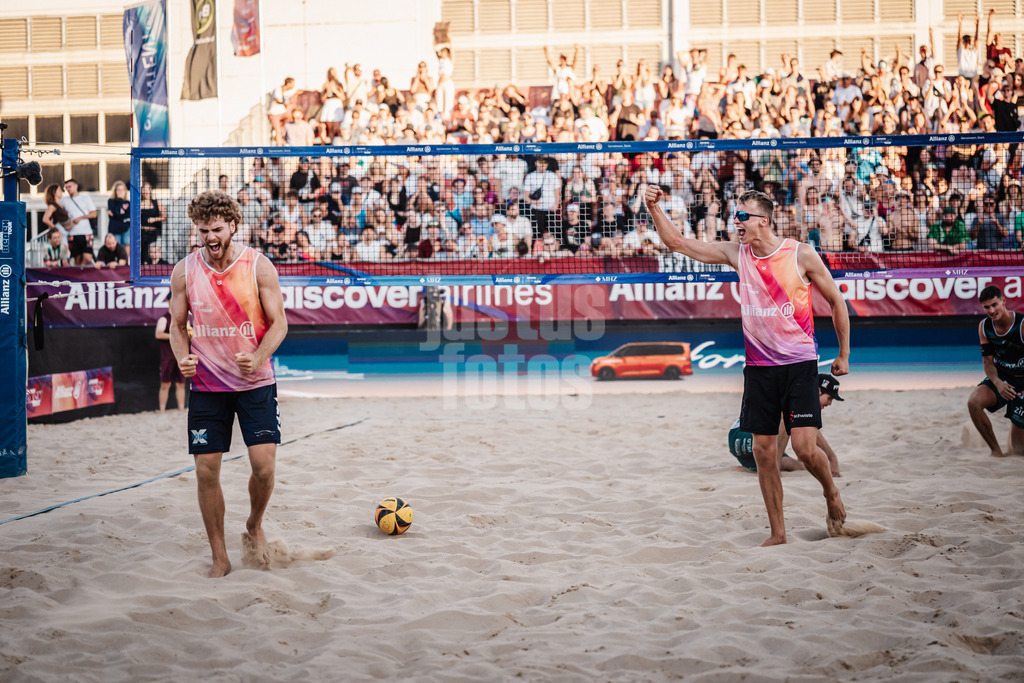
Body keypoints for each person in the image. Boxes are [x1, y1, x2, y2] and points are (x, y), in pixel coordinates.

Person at [645, 185, 851, 546]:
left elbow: (836, 301)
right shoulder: (735, 254)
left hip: (800, 363)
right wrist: (652, 207)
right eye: (734, 215)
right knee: (762, 451)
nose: (735, 221)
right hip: (759, 367)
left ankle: (831, 492)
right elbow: (678, 243)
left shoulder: (800, 255)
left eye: (742, 216)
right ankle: (778, 532)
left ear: (765, 221)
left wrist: (843, 354)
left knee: (804, 449)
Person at [168, 189, 288, 578]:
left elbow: (280, 324)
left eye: (216, 229)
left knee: (263, 467)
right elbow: (176, 325)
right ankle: (220, 556)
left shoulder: (258, 266)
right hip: (207, 384)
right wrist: (181, 356)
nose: (209, 237)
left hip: (254, 381)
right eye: (202, 230)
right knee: (206, 470)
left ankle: (254, 523)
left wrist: (257, 357)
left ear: (233, 226)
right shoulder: (185, 270)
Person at [730, 374, 844, 478]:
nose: (830, 403)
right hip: (743, 433)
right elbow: (808, 427)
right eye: (830, 398)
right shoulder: (796, 397)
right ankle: (775, 469)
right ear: (818, 391)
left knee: (795, 465)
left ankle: (749, 469)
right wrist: (833, 459)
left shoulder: (796, 395)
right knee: (790, 416)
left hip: (740, 445)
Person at [967, 285, 1024, 458]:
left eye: (994, 304)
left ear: (1003, 301)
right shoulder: (984, 327)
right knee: (974, 402)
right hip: (1002, 379)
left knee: (1019, 451)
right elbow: (988, 362)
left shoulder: (1021, 325)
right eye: (986, 307)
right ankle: (996, 451)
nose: (991, 310)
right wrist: (998, 383)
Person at [155, 311, 186, 413]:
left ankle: (181, 409)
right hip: (167, 357)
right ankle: (162, 411)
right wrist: (174, 335)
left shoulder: (183, 318)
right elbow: (158, 334)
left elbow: (188, 333)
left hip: (181, 356)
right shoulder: (164, 319)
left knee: (181, 384)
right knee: (165, 384)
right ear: (168, 301)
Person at [61, 178, 97, 266]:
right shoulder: (64, 200)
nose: (68, 189)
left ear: (76, 186)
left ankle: (83, 274)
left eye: (70, 186)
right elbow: (59, 214)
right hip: (72, 233)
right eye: (66, 187)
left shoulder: (85, 197)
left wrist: (80, 218)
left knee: (88, 258)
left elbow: (94, 214)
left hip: (86, 232)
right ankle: (79, 278)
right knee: (76, 258)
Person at [106, 180, 131, 253]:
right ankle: (119, 262)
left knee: (127, 243)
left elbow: (128, 215)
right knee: (116, 244)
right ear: (115, 191)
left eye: (122, 190)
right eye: (119, 190)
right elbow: (117, 214)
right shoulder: (111, 201)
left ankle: (126, 262)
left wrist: (118, 215)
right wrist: (119, 200)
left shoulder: (128, 202)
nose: (121, 192)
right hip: (115, 228)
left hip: (126, 227)